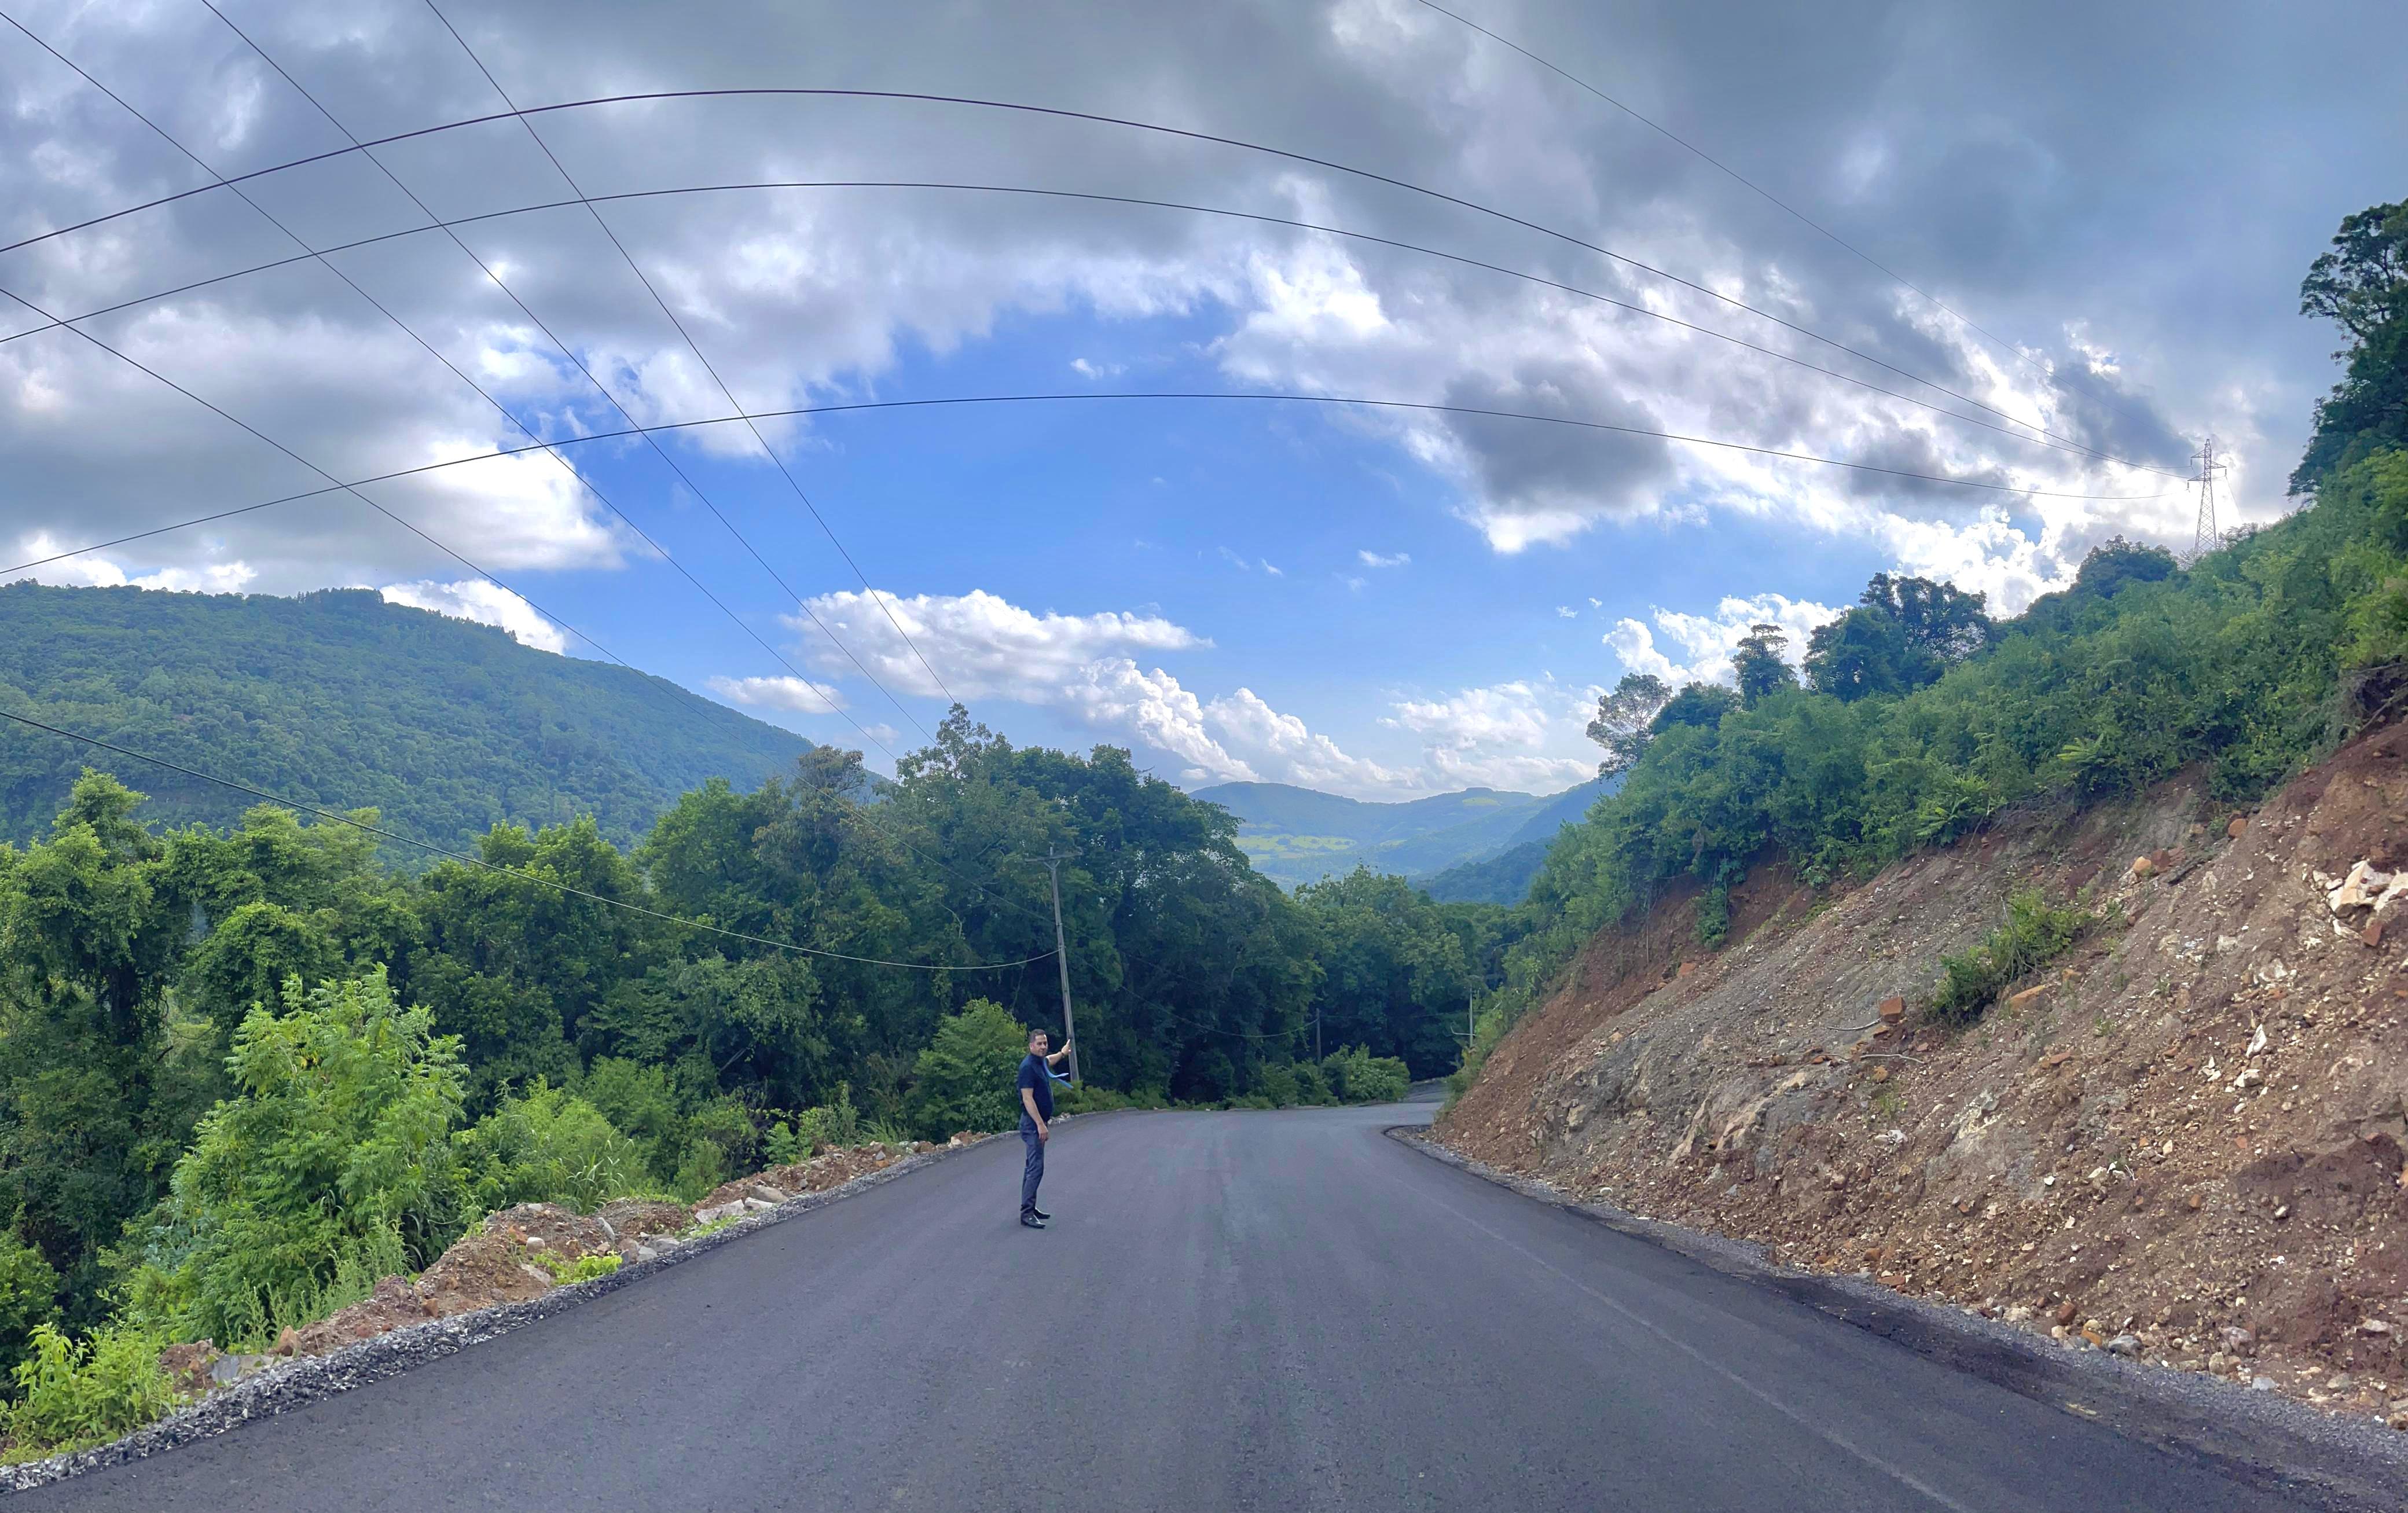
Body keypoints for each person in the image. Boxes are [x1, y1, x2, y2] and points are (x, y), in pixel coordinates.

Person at [1016, 1026, 1072, 1228]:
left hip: (1037, 1124)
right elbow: (1027, 1099)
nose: (1043, 1047)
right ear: (1031, 1045)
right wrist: (1041, 1125)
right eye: (1039, 1043)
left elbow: (1050, 1060)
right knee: (1036, 1168)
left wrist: (1063, 1054)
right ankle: (1027, 1213)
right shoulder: (1027, 1068)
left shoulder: (1040, 1062)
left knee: (1031, 1166)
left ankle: (1030, 1206)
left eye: (1045, 1043)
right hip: (1032, 1125)